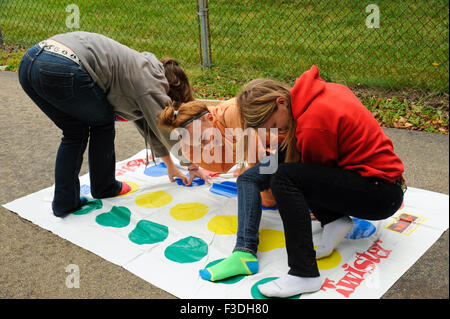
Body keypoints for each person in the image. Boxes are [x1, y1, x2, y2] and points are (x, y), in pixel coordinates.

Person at [233, 66, 406, 298]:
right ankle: (334, 222)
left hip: (380, 195)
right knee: (282, 165)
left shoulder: (314, 122)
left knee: (284, 178)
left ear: (281, 102)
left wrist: (300, 204)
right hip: (383, 183)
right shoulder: (316, 94)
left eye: (274, 125)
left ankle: (303, 274)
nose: (278, 131)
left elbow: (309, 178)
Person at [18, 31, 206, 217]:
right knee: (102, 123)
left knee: (74, 132)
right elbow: (164, 128)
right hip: (62, 66)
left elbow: (149, 126)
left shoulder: (140, 72)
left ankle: (65, 202)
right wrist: (191, 165)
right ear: (173, 90)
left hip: (29, 63)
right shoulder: (151, 81)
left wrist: (171, 165)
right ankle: (104, 187)